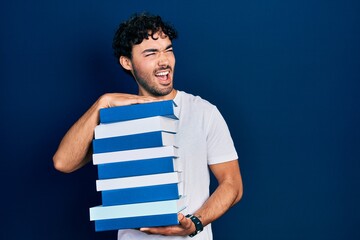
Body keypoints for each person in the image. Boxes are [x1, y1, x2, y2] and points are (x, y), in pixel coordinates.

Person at [53, 13, 243, 240]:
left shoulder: (203, 112)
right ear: (127, 62)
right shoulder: (115, 117)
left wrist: (195, 223)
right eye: (151, 53)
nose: (164, 61)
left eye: (168, 50)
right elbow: (63, 162)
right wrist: (101, 103)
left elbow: (233, 185)